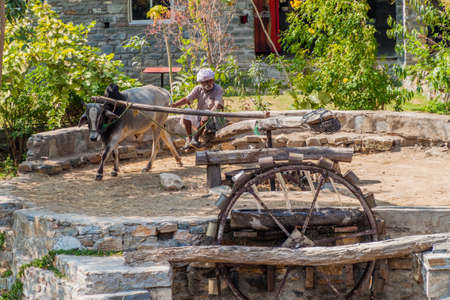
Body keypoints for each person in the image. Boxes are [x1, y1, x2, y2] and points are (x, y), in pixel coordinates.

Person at [171, 68, 224, 148]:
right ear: (201, 83)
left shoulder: (218, 89)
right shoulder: (198, 88)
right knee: (187, 111)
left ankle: (195, 139)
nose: (208, 83)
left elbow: (217, 104)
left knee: (206, 113)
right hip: (199, 115)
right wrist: (174, 105)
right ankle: (190, 139)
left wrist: (209, 113)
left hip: (212, 119)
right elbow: (187, 99)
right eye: (205, 82)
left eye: (210, 81)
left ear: (213, 80)